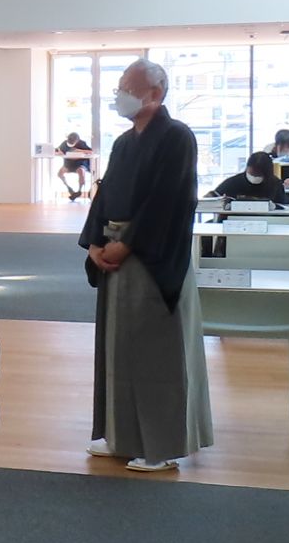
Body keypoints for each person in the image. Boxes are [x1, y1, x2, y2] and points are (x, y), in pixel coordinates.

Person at [81, 59, 214, 473]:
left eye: (126, 86)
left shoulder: (177, 138)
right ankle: (123, 438)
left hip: (153, 258)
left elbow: (169, 201)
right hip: (117, 253)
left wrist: (129, 244)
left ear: (155, 93)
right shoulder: (123, 143)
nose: (119, 94)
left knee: (158, 352)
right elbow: (103, 197)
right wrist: (94, 244)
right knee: (119, 350)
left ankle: (163, 445)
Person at [208, 151, 286, 205]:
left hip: (268, 221)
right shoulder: (234, 182)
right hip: (235, 220)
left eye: (257, 175)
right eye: (251, 173)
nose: (254, 177)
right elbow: (213, 196)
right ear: (247, 167)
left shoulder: (275, 184)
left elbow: (284, 206)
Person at [57, 131, 93, 201]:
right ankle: (69, 188)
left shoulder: (82, 143)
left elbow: (90, 151)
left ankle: (79, 190)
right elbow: (58, 149)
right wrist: (59, 152)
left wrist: (78, 150)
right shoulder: (65, 143)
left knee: (81, 171)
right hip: (68, 164)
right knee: (59, 173)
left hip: (79, 163)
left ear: (77, 140)